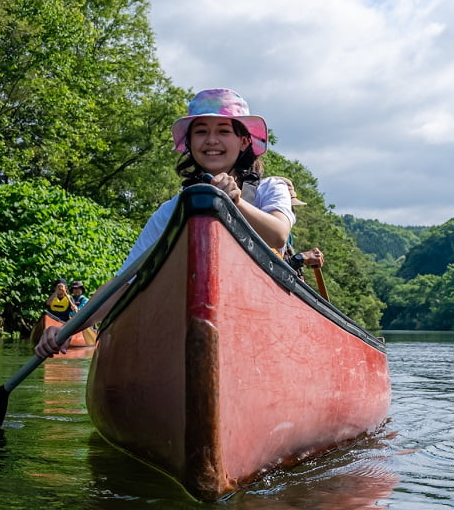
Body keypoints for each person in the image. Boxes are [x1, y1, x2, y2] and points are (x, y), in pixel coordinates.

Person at [36, 88, 295, 359]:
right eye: (201, 131)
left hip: (262, 318)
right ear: (191, 142)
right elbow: (124, 282)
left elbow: (278, 234)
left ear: (243, 141)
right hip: (187, 320)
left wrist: (235, 202)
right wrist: (67, 329)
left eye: (223, 131)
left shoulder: (270, 188)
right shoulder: (171, 210)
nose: (211, 140)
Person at [273, 177, 324, 280]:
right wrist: (301, 258)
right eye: (288, 208)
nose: (293, 212)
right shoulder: (267, 232)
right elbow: (273, 269)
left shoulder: (288, 237)